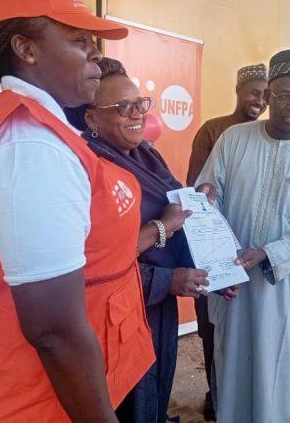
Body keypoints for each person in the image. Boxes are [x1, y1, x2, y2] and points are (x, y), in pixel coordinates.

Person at [0, 0, 155, 421]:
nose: (96, 54)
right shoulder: (33, 149)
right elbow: (53, 331)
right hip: (30, 403)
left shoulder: (41, 130)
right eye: (79, 40)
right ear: (26, 49)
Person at [64, 57, 214, 422]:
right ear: (91, 118)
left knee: (156, 398)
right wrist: (166, 271)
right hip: (116, 314)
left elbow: (176, 209)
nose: (137, 115)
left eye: (140, 104)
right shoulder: (88, 168)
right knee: (127, 404)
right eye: (122, 107)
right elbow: (93, 261)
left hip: (158, 309)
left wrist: (198, 205)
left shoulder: (148, 155)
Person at [195, 49, 290, 422]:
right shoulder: (234, 139)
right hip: (236, 283)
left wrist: (269, 253)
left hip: (287, 289)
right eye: (285, 95)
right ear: (268, 96)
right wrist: (218, 259)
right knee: (234, 369)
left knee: (283, 372)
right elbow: (209, 196)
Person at [185, 62, 268, 419]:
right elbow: (198, 188)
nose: (260, 101)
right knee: (212, 327)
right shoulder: (214, 131)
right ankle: (217, 395)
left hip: (254, 250)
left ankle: (247, 397)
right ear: (238, 91)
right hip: (213, 246)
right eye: (254, 92)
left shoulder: (268, 135)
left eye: (266, 95)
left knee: (252, 329)